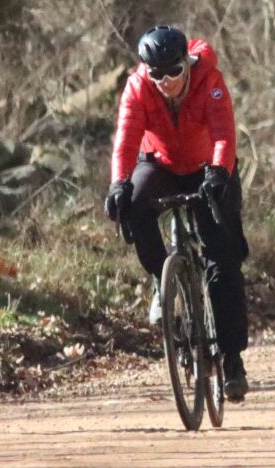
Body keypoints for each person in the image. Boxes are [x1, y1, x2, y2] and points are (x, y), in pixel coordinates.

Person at [107, 25, 252, 401]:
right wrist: (117, 183)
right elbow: (125, 139)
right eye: (157, 74)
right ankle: (162, 279)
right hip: (163, 165)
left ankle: (233, 359)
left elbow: (223, 131)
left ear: (186, 64)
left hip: (209, 167)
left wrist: (220, 171)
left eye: (173, 71)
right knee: (134, 201)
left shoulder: (209, 78)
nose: (166, 81)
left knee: (222, 258)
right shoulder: (138, 88)